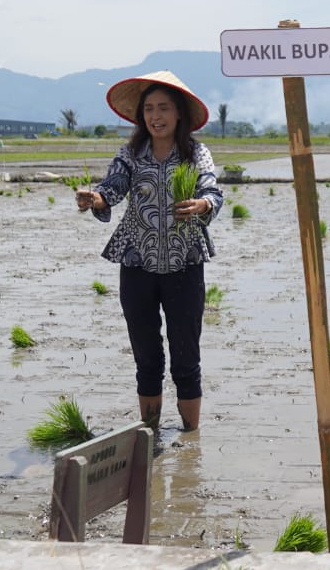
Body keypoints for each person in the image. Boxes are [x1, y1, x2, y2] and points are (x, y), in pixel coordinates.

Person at [76, 71, 223, 433]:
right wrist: (95, 198)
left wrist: (203, 205)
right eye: (149, 109)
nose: (156, 116)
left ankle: (190, 438)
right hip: (137, 263)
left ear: (178, 114)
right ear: (142, 116)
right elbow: (112, 187)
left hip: (184, 262)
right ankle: (151, 434)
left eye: (164, 108)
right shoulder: (130, 154)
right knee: (146, 356)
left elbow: (212, 191)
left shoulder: (196, 153)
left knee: (186, 356)